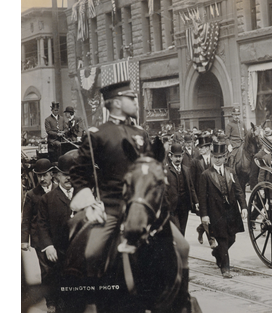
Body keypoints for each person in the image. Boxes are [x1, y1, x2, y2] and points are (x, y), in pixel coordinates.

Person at [68, 80, 190, 282]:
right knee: (92, 254)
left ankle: (182, 300)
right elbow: (79, 172)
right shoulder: (98, 135)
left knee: (183, 247)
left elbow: (152, 172)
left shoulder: (141, 133)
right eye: (131, 98)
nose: (135, 102)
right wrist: (90, 203)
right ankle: (93, 302)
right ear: (116, 103)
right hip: (113, 210)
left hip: (145, 210)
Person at [198, 140, 248, 278]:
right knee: (223, 239)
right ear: (212, 157)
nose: (218, 160)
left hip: (231, 211)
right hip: (216, 212)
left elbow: (238, 191)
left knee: (232, 238)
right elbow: (202, 197)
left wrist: (244, 207)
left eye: (220, 157)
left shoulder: (231, 172)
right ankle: (225, 268)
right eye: (215, 157)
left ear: (225, 157)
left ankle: (217, 253)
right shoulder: (206, 175)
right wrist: (204, 215)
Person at [36, 152, 77, 313]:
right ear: (57, 175)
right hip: (57, 255)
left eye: (72, 175)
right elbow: (42, 225)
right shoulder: (48, 199)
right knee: (61, 295)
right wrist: (48, 246)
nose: (69, 178)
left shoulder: (84, 196)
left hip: (79, 256)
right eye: (65, 175)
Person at [21, 158, 55, 252]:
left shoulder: (58, 191)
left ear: (51, 175)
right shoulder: (32, 194)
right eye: (39, 176)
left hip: (56, 238)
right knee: (45, 267)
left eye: (45, 175)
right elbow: (26, 218)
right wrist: (24, 240)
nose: (42, 179)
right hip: (39, 239)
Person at [166, 143, 199, 235]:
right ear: (170, 156)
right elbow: (164, 191)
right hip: (172, 207)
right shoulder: (166, 171)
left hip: (184, 206)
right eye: (175, 156)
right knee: (177, 230)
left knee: (182, 231)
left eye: (180, 156)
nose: (178, 159)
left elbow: (191, 187)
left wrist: (196, 202)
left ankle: (178, 249)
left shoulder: (186, 170)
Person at [191, 134, 218, 248]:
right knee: (205, 217)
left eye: (202, 147)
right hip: (201, 195)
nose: (200, 149)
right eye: (199, 147)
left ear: (208, 148)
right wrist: (195, 199)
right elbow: (192, 182)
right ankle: (211, 238)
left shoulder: (215, 159)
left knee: (215, 217)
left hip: (214, 195)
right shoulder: (195, 161)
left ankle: (200, 229)